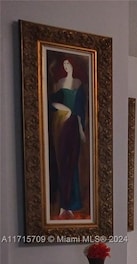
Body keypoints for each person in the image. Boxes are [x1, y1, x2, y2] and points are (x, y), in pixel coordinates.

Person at [48, 57, 87, 219]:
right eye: (63, 64)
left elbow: (80, 112)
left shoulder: (78, 84)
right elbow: (51, 103)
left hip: (73, 127)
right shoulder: (59, 83)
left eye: (68, 63)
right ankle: (63, 204)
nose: (66, 65)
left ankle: (71, 204)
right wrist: (65, 110)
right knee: (62, 164)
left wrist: (81, 130)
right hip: (61, 126)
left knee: (73, 165)